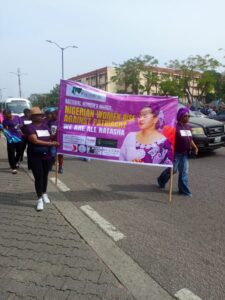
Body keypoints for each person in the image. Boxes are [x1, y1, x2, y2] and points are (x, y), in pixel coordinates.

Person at [157, 107, 198, 197]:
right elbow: (167, 139)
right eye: (185, 116)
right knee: (173, 170)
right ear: (180, 117)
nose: (187, 118)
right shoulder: (175, 127)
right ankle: (161, 180)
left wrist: (194, 147)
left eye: (188, 116)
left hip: (185, 154)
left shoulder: (188, 127)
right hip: (176, 153)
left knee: (184, 172)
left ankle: (183, 190)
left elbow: (190, 139)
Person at [26, 107, 59, 211]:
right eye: (37, 115)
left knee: (45, 176)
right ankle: (39, 199)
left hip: (47, 155)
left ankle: (44, 193)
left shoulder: (45, 126)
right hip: (35, 156)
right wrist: (50, 143)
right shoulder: (29, 127)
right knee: (38, 177)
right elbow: (35, 141)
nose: (40, 116)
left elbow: (51, 137)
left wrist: (59, 133)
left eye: (40, 115)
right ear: (32, 117)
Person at [2, 109, 23, 174]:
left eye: (6, 115)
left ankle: (16, 161)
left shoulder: (17, 117)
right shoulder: (5, 120)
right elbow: (5, 128)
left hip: (18, 137)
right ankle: (13, 167)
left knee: (20, 151)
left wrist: (18, 126)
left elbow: (21, 124)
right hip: (10, 138)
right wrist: (5, 129)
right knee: (11, 152)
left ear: (10, 113)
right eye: (4, 115)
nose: (5, 117)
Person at [47, 109, 64, 174]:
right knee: (52, 154)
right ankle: (50, 165)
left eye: (53, 114)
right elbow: (47, 128)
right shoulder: (50, 121)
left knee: (60, 155)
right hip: (52, 140)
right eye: (52, 114)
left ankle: (60, 167)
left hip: (60, 141)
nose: (52, 115)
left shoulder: (62, 121)